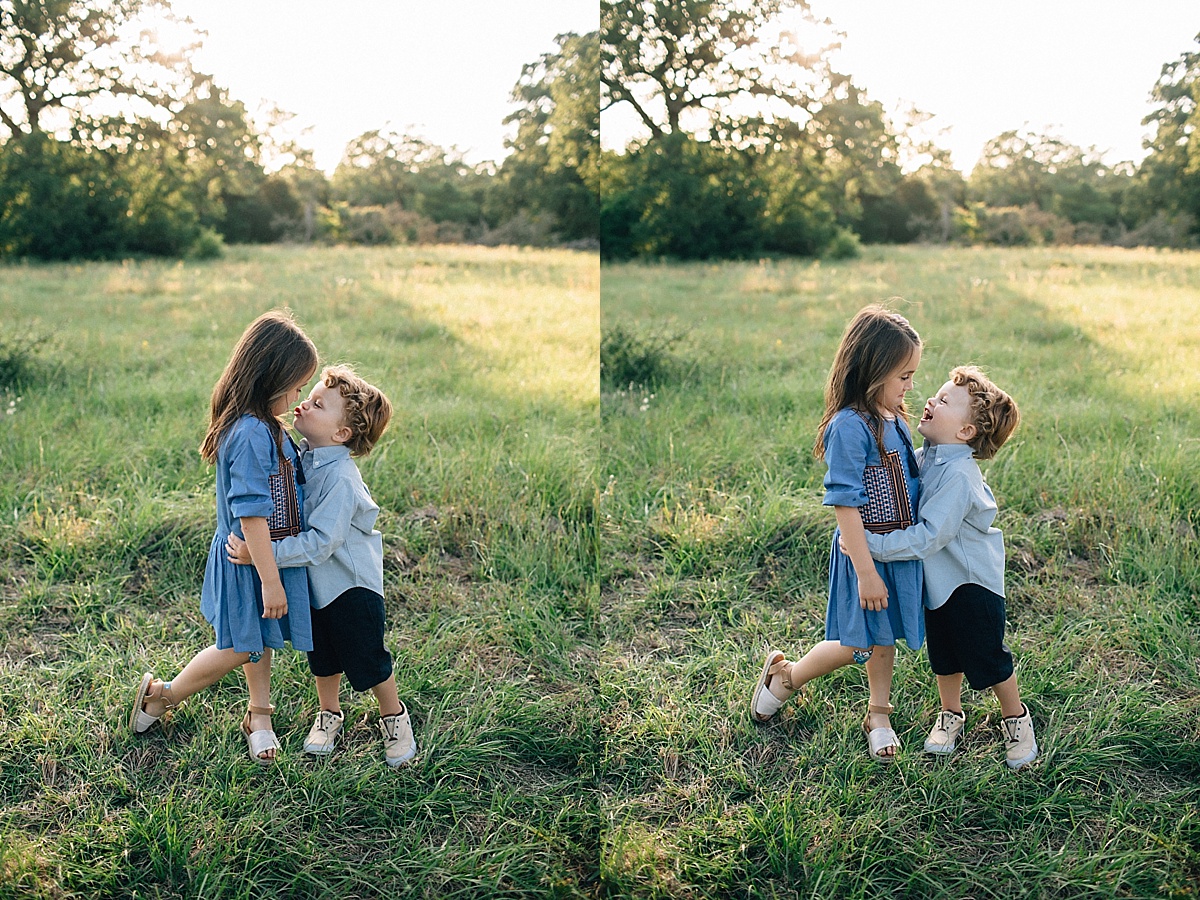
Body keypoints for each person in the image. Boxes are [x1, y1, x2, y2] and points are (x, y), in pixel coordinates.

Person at [130, 309, 318, 765]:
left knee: (260, 637)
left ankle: (259, 713)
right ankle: (161, 696)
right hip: (249, 560)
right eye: (295, 387)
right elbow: (251, 513)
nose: (299, 398)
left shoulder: (266, 423)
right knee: (240, 645)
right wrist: (270, 578)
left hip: (261, 556)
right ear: (269, 378)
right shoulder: (252, 432)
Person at [751, 305, 924, 762]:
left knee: (885, 635)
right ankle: (786, 678)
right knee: (858, 642)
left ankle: (879, 713)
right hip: (864, 554)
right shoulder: (850, 426)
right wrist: (865, 570)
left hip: (898, 549)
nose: (910, 386)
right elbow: (845, 502)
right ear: (874, 370)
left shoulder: (896, 419)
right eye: (904, 376)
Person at [226, 365, 416, 767]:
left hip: (350, 586)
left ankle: (394, 717)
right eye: (306, 396)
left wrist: (263, 556)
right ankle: (329, 713)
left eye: (316, 404)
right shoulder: (303, 456)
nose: (302, 405)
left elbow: (322, 543)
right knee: (323, 657)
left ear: (341, 434)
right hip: (315, 585)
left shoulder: (342, 478)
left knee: (367, 658)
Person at [859, 365, 1036, 769]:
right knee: (944, 655)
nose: (929, 401)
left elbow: (927, 537)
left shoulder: (959, 475)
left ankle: (1016, 719)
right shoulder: (927, 457)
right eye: (935, 396)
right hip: (938, 581)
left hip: (972, 583)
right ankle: (951, 714)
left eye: (942, 402)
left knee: (986, 657)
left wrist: (871, 545)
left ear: (966, 433)